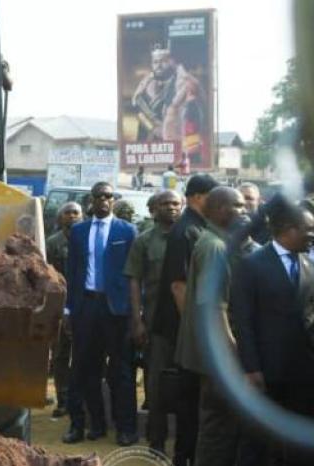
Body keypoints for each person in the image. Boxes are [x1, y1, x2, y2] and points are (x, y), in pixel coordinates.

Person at [175, 186, 256, 466]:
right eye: (238, 206)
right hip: (219, 357)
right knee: (217, 430)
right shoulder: (214, 247)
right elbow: (214, 309)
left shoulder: (216, 241)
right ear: (220, 209)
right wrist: (233, 355)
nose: (244, 211)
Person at [233, 199, 314, 466]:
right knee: (258, 441)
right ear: (289, 229)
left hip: (302, 371)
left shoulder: (307, 264)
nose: (312, 235)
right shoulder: (252, 265)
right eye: (309, 229)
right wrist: (251, 368)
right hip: (265, 371)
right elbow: (243, 322)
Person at [62, 182, 139, 447]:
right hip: (86, 307)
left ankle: (126, 428)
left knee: (121, 372)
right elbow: (72, 273)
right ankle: (87, 424)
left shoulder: (127, 231)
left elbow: (134, 276)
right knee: (83, 369)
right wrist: (68, 309)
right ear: (91, 200)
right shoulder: (79, 232)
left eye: (109, 196)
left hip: (117, 309)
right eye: (99, 196)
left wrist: (135, 312)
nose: (104, 200)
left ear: (113, 200)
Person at [149, 173, 218, 466]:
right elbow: (179, 287)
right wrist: (194, 331)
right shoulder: (186, 231)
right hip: (181, 330)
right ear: (199, 197)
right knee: (186, 400)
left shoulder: (200, 227)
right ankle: (182, 457)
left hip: (187, 329)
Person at [125, 190, 181, 455]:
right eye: (165, 204)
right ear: (154, 209)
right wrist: (137, 321)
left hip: (187, 326)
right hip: (156, 324)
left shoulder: (193, 238)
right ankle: (156, 442)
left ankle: (185, 442)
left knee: (187, 383)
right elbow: (134, 280)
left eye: (176, 203)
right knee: (156, 385)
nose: (171, 208)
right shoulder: (144, 241)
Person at [46, 202, 82, 418]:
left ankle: (79, 399)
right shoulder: (52, 243)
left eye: (76, 212)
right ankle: (63, 399)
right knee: (60, 354)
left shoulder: (86, 239)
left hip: (83, 304)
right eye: (67, 213)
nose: (72, 216)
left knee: (82, 353)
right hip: (60, 305)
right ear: (60, 219)